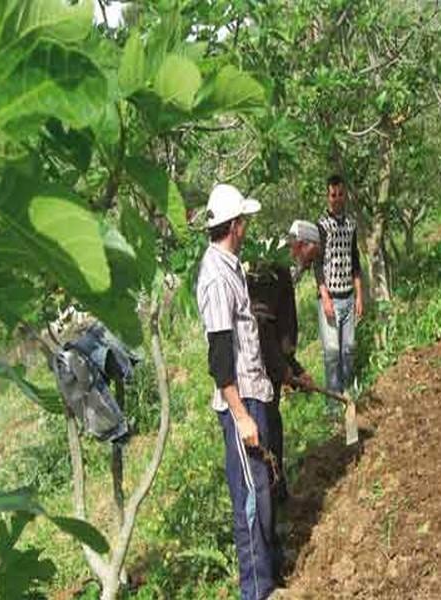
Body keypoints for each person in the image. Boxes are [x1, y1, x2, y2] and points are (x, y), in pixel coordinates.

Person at [196, 183, 279, 599]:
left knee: (262, 491)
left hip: (252, 392)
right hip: (239, 402)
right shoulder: (215, 278)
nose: (246, 228)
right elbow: (219, 355)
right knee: (250, 499)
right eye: (243, 222)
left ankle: (270, 574)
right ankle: (256, 590)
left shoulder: (230, 265)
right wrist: (241, 414)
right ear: (235, 225)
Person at [247, 220, 319, 504]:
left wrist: (296, 370)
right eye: (312, 255)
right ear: (302, 246)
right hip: (258, 372)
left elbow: (279, 334)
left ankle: (279, 497)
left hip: (271, 369)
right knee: (267, 436)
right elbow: (261, 328)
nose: (311, 263)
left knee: (273, 432)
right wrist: (283, 370)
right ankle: (273, 506)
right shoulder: (271, 270)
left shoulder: (280, 271)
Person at [314, 174, 363, 399]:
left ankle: (348, 391)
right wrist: (324, 297)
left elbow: (355, 261)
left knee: (349, 348)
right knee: (332, 352)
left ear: (345, 195)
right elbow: (317, 264)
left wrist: (359, 296)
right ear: (327, 196)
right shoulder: (321, 226)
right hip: (330, 297)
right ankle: (334, 399)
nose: (336, 199)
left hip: (348, 296)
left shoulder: (351, 225)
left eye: (340, 194)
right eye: (333, 195)